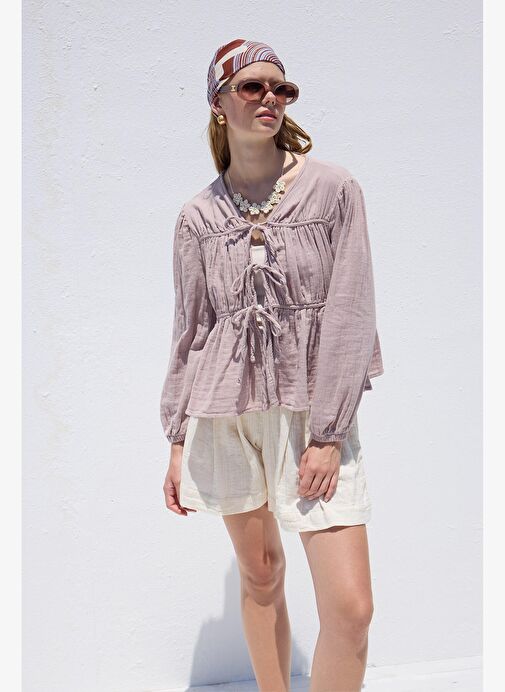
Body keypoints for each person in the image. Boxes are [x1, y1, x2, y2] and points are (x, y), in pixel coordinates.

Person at [160, 38, 384, 692]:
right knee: (260, 575)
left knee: (351, 609)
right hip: (223, 415)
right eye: (253, 86)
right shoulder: (197, 217)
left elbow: (350, 308)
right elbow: (191, 330)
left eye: (282, 89)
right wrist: (177, 439)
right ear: (218, 102)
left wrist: (328, 433)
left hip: (312, 414)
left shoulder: (333, 189)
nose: (271, 99)